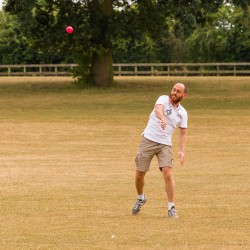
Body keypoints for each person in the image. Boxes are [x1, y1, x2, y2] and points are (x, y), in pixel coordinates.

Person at [132, 83, 188, 218]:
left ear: (184, 95)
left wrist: (182, 150)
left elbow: (183, 133)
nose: (174, 92)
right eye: (174, 90)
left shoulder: (183, 113)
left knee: (168, 174)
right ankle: (141, 197)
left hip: (165, 145)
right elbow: (158, 110)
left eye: (178, 91)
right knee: (140, 174)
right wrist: (162, 118)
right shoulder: (163, 99)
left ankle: (171, 207)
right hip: (148, 140)